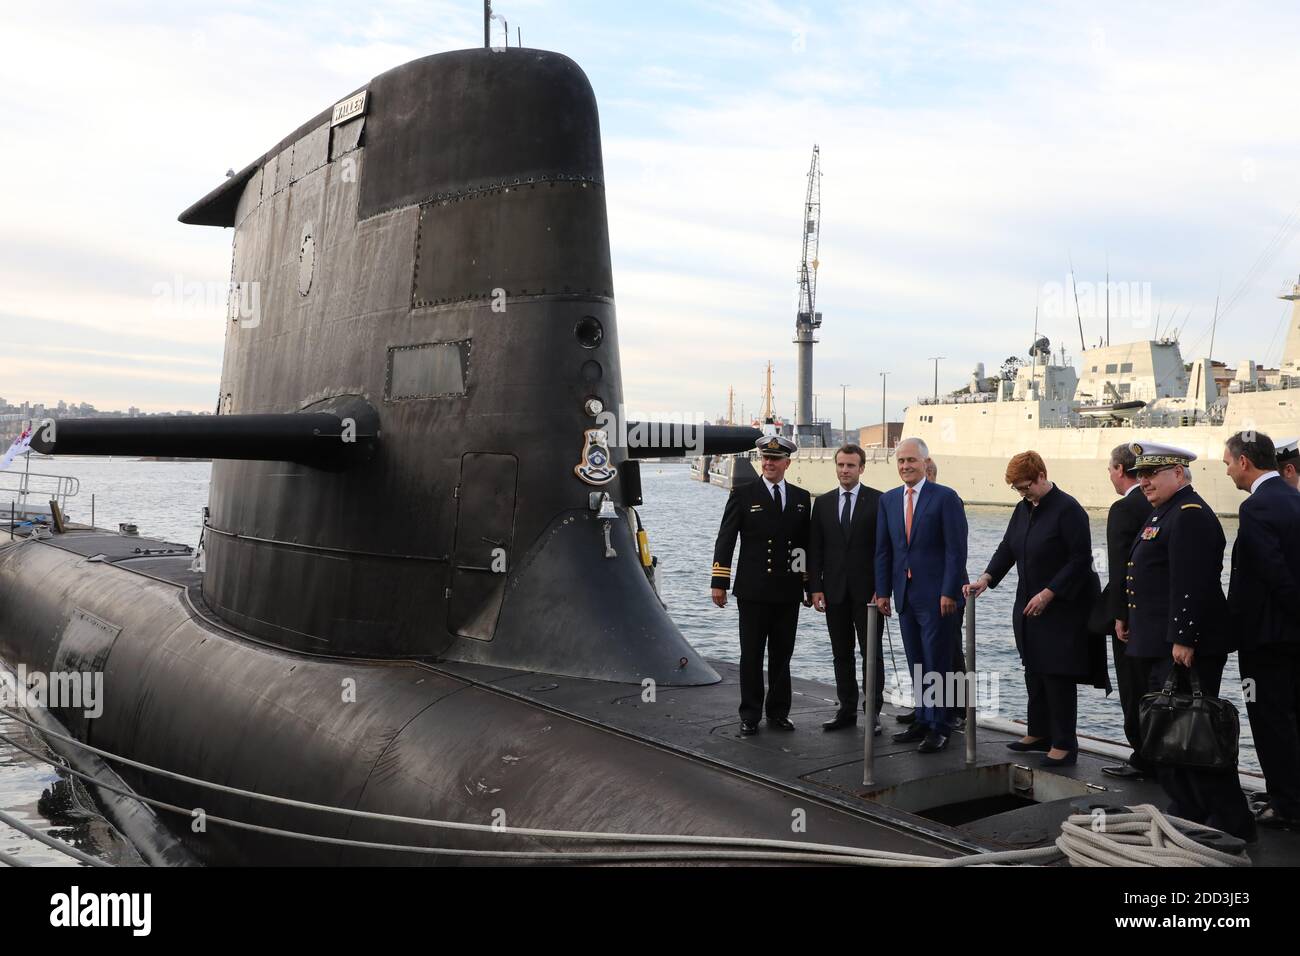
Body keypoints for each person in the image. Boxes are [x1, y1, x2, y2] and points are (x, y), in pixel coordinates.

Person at [1125, 440, 1255, 841]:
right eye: (1140, 474)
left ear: (1179, 474)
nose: (1143, 481)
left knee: (1195, 738)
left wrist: (1184, 637)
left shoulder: (1189, 514)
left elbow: (1192, 582)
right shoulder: (1166, 513)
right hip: (1161, 642)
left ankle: (1228, 819)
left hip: (1183, 647)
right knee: (1172, 737)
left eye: (1152, 474)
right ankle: (1190, 809)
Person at [965, 452, 1093, 766]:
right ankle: (1038, 731)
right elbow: (1008, 546)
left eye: (1024, 487)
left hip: (1060, 607)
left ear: (1040, 476)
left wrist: (1049, 593)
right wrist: (986, 577)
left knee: (1056, 673)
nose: (1022, 493)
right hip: (1027, 603)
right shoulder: (1023, 509)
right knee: (1033, 668)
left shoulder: (1069, 510)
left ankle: (1064, 742)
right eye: (1017, 489)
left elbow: (1080, 560)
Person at [711, 435, 812, 735]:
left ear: (787, 463)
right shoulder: (743, 494)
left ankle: (779, 712)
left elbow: (803, 545)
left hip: (787, 590)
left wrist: (806, 584)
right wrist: (719, 581)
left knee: (783, 653)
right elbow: (726, 538)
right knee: (752, 654)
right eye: (765, 458)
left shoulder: (800, 497)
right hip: (753, 590)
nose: (769, 463)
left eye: (776, 459)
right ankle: (750, 713)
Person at [1224, 431, 1300, 827]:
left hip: (1266, 637)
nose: (1226, 471)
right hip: (1292, 637)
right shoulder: (1294, 498)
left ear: (1244, 462)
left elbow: (1270, 572)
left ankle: (1285, 804)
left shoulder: (1256, 508)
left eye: (1227, 463)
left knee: (1269, 720)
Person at [875, 437, 968, 753]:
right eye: (900, 461)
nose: (905, 466)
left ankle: (940, 726)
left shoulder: (945, 498)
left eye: (911, 460)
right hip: (905, 595)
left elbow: (957, 551)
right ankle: (924, 719)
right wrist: (883, 591)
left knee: (937, 661)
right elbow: (884, 551)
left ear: (925, 463)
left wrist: (949, 591)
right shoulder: (888, 501)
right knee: (916, 660)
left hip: (937, 597)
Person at [808, 444, 884, 733]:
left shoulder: (879, 501)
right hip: (834, 591)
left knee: (871, 654)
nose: (845, 470)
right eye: (840, 465)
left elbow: (884, 550)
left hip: (869, 595)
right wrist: (815, 588)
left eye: (851, 465)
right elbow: (816, 550)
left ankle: (872, 714)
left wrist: (883, 588)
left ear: (862, 468)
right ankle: (847, 709)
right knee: (841, 653)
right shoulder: (824, 503)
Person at [1100, 443, 1155, 779]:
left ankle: (1141, 755)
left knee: (1132, 688)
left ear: (1120, 470)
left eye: (1110, 467)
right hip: (1157, 616)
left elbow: (1120, 567)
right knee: (1155, 686)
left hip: (1132, 619)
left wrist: (1120, 614)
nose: (1109, 473)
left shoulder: (1123, 509)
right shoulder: (1158, 504)